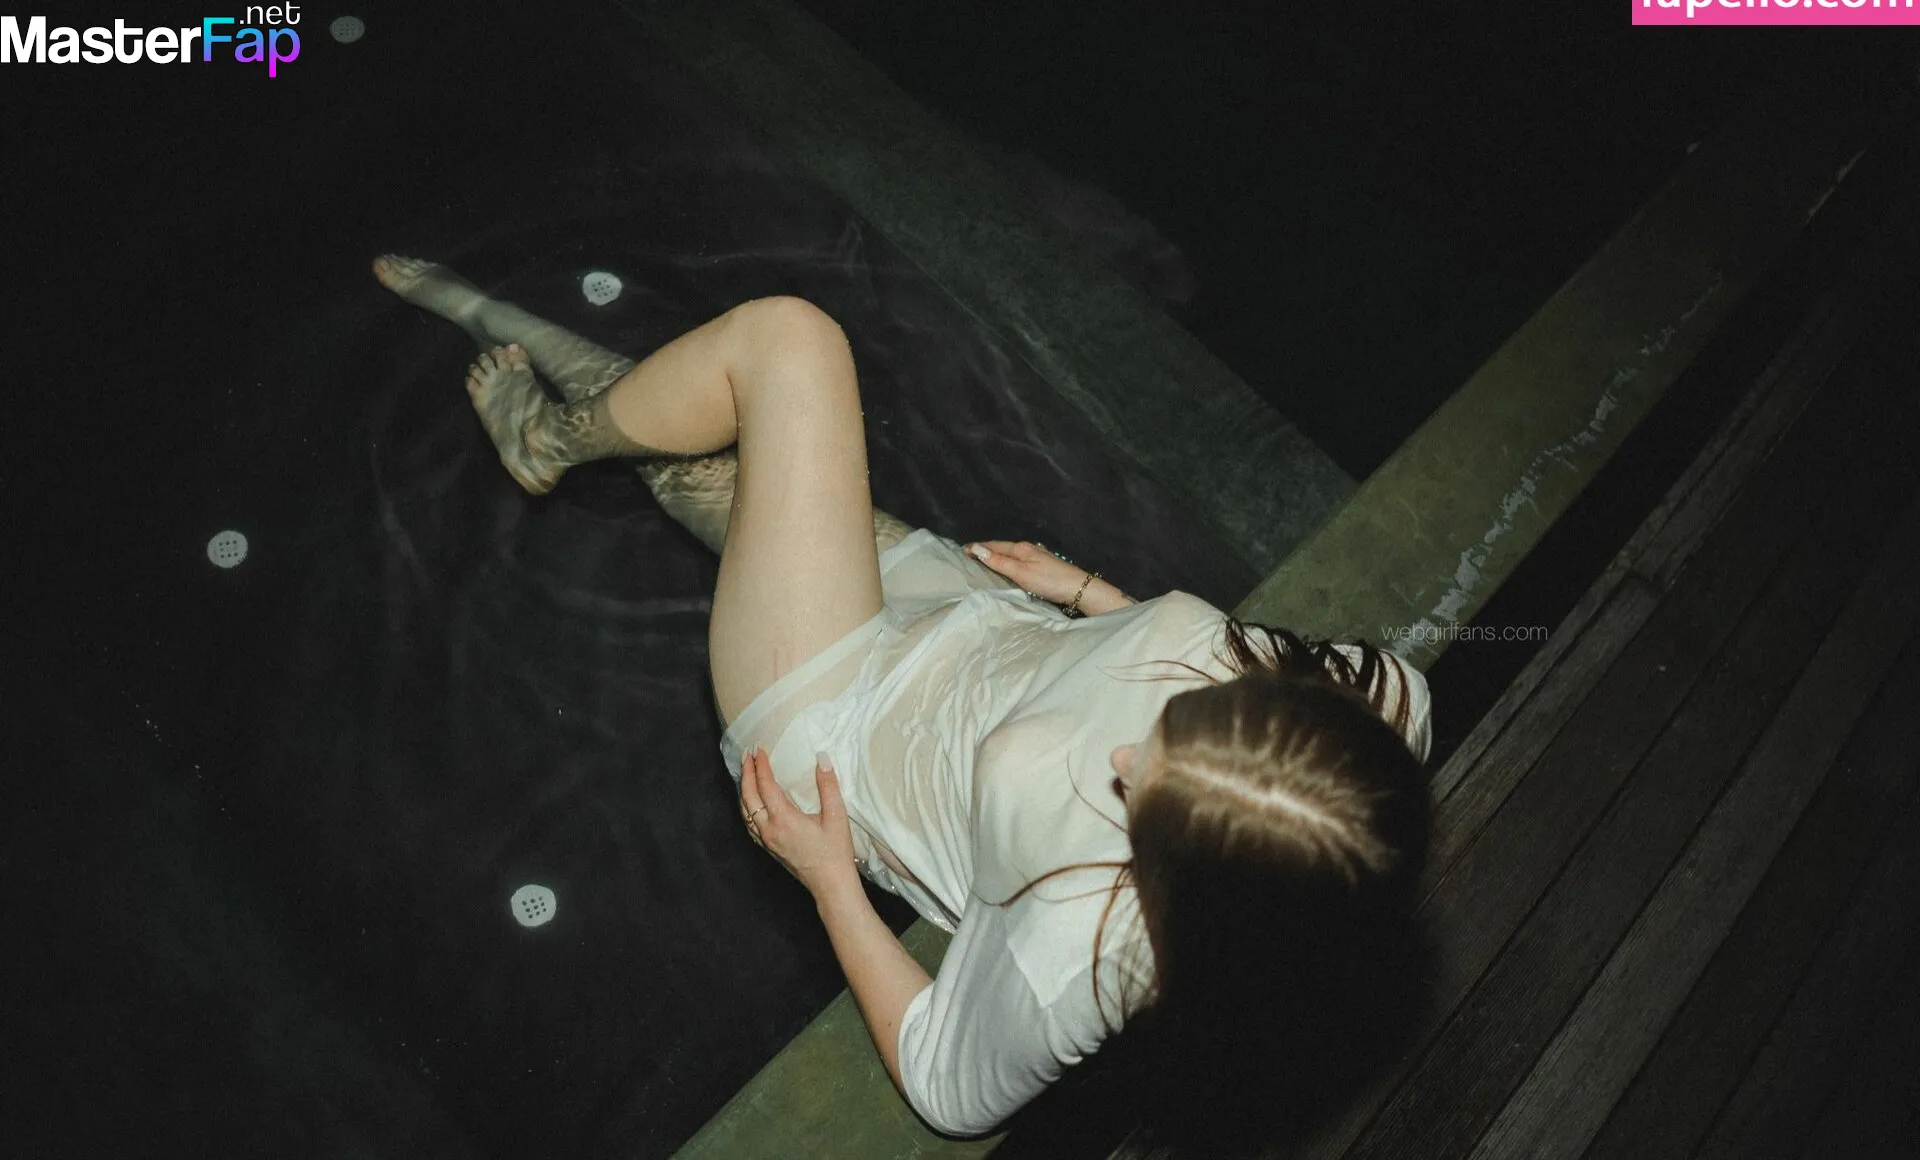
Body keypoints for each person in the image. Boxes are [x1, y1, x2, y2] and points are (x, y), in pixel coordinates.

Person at [373, 255, 1436, 1152]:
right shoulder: (1380, 705)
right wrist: (1097, 599)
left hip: (836, 719)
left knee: (783, 346)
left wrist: (831, 882)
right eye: (1170, 726)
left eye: (1140, 791)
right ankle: (537, 404)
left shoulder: (1089, 948)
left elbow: (946, 1086)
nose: (1124, 758)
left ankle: (545, 435)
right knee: (701, 466)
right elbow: (1240, 669)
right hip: (979, 625)